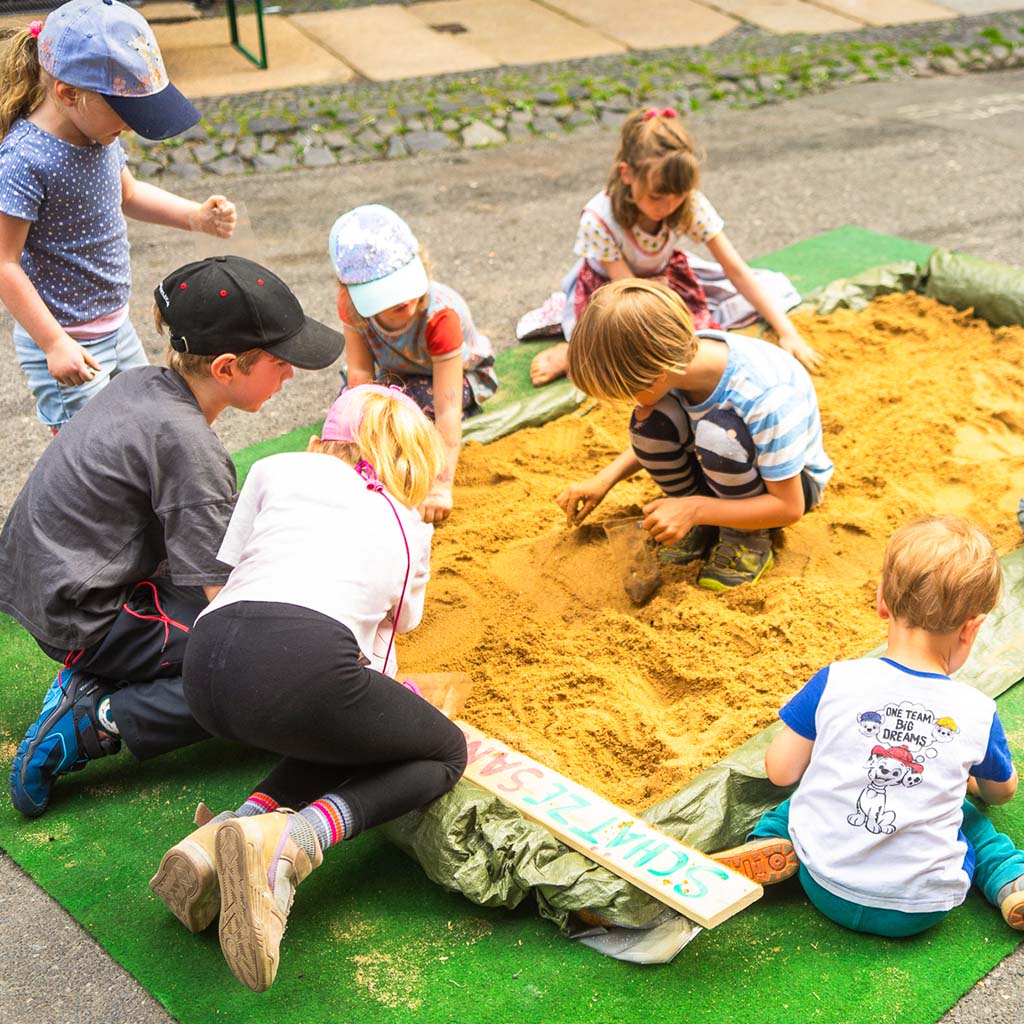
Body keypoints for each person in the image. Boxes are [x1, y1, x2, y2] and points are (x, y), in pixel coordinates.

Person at [149, 384, 468, 993]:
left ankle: (223, 837)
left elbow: (234, 565)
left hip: (206, 662)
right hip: (302, 664)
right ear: (410, 463)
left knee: (328, 723)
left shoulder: (274, 468)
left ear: (324, 438)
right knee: (443, 750)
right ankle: (296, 842)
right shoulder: (407, 526)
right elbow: (390, 636)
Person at [2, 255, 344, 818]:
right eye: (282, 362)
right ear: (229, 367)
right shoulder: (190, 447)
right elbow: (227, 608)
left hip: (54, 580)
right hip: (82, 612)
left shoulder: (146, 385)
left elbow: (195, 530)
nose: (291, 375)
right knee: (264, 669)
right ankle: (95, 722)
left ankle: (93, 678)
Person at [711, 515, 1024, 936]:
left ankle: (766, 842)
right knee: (970, 822)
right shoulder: (976, 710)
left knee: (803, 798)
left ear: (881, 602)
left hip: (823, 885)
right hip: (919, 909)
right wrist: (970, 780)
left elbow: (780, 770)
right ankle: (1010, 880)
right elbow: (1001, 792)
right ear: (972, 628)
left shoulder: (837, 679)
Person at [0, 0, 238, 432]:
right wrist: (54, 343)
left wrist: (195, 217)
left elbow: (127, 194)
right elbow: (4, 262)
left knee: (137, 429)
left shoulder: (99, 135)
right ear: (68, 93)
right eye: (125, 112)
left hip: (116, 325)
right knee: (90, 453)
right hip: (69, 339)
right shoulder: (24, 159)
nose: (131, 125)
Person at [555, 279, 832, 590]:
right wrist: (605, 478)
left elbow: (789, 507)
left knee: (716, 433)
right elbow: (676, 422)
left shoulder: (763, 398)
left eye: (628, 392)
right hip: (722, 464)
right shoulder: (673, 354)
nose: (630, 401)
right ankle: (693, 518)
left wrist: (697, 509)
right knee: (650, 420)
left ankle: (746, 537)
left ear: (657, 375)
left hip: (786, 488)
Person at [529, 106, 818, 388]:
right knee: (629, 349)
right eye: (656, 196)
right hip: (615, 292)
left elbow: (735, 268)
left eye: (677, 196)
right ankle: (574, 351)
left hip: (662, 280)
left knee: (697, 336)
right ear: (626, 174)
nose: (667, 207)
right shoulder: (599, 219)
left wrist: (787, 332)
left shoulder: (688, 203)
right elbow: (629, 294)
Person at [328, 203, 497, 524]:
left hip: (452, 377)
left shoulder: (441, 317)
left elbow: (448, 407)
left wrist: (441, 486)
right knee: (347, 406)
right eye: (385, 294)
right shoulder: (353, 307)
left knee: (418, 411)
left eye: (401, 284)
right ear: (352, 292)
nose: (401, 300)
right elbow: (361, 375)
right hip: (394, 372)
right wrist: (365, 433)